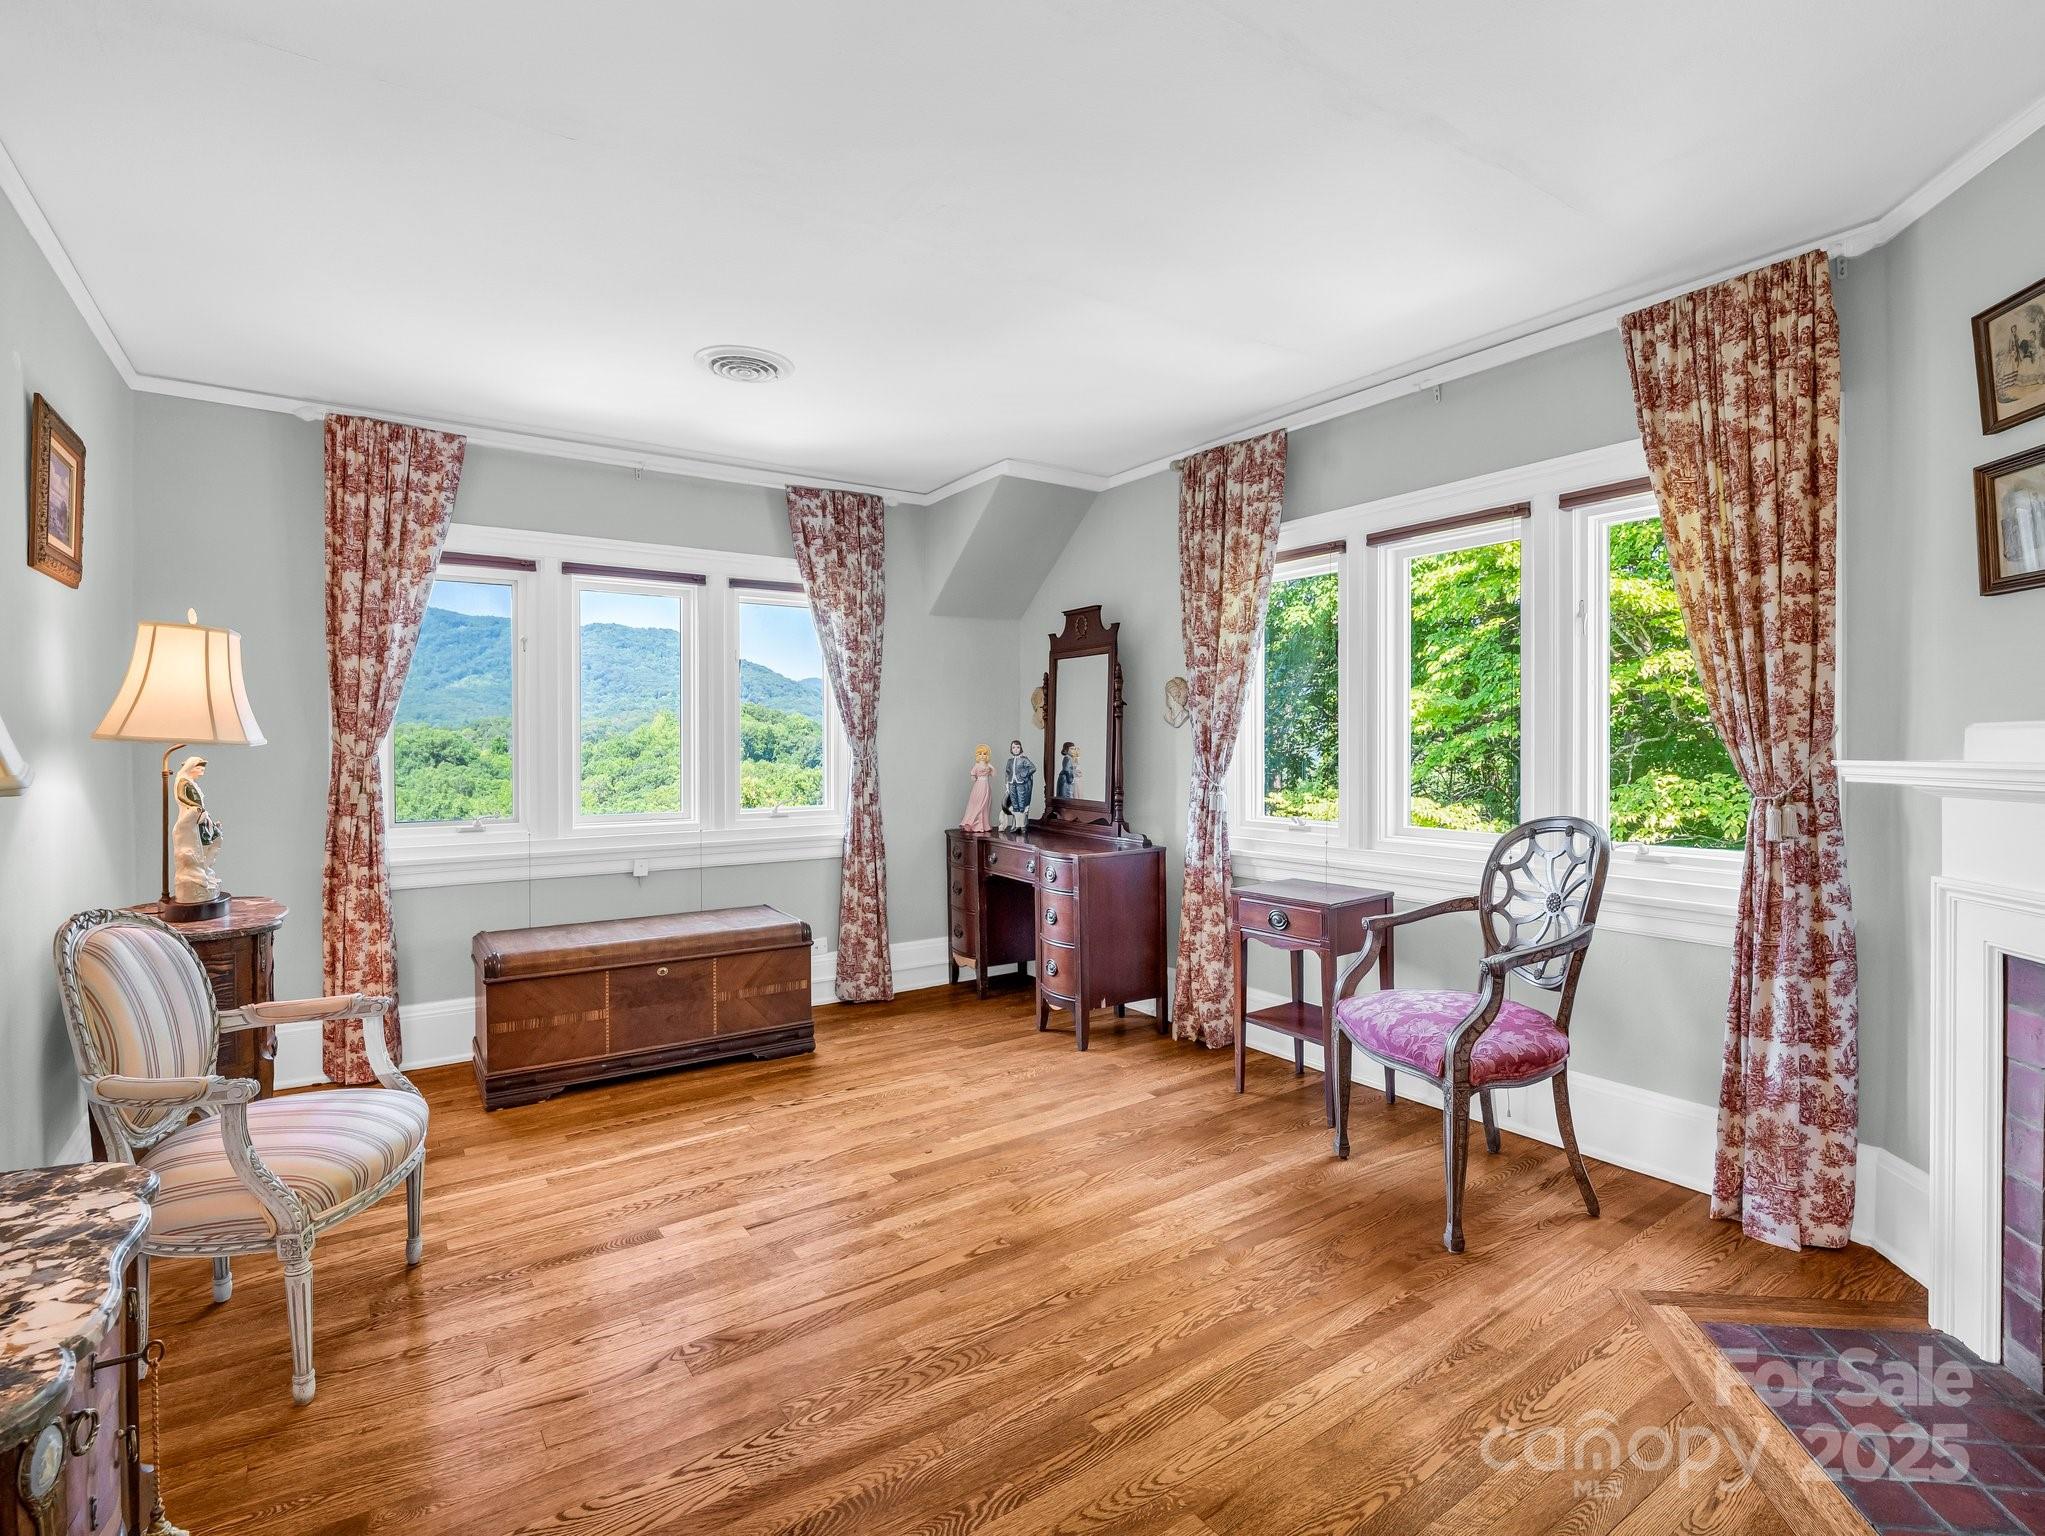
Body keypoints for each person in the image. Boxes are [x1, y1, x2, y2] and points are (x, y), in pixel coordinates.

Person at [1001, 740, 1036, 832]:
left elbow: (1033, 768)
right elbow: (1007, 773)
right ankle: (1017, 825)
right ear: (1011, 749)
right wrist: (1007, 785)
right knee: (1015, 804)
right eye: (1013, 747)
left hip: (1021, 784)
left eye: (1018, 747)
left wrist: (1023, 775)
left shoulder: (1024, 759)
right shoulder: (1010, 761)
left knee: (1022, 804)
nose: (1016, 749)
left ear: (1020, 748)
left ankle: (1023, 825)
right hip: (1012, 783)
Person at [960, 744, 994, 831]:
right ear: (977, 755)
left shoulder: (988, 765)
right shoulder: (977, 765)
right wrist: (976, 778)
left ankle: (984, 825)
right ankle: (975, 824)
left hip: (986, 786)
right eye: (980, 754)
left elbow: (993, 774)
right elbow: (972, 776)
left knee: (985, 805)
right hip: (979, 786)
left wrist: (991, 768)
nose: (982, 756)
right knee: (978, 804)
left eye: (984, 754)